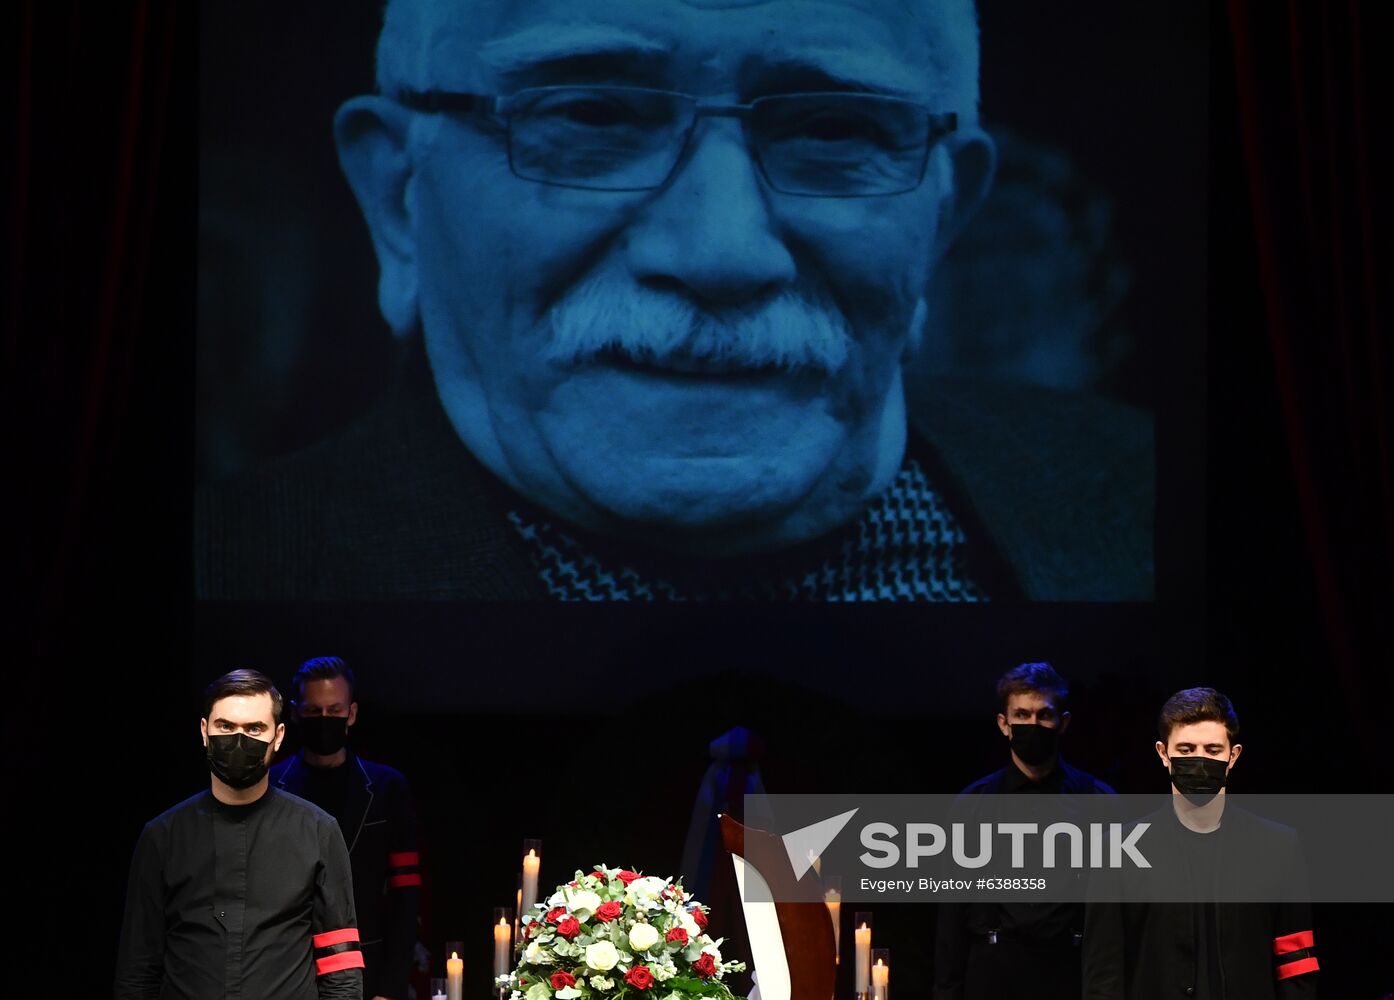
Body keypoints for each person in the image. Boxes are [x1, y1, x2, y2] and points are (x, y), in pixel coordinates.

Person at [195, 0, 1152, 601]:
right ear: (399, 199)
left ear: (945, 217)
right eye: (591, 114)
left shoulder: (1143, 504)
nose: (721, 252)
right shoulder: (230, 572)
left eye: (833, 126)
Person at [114, 670, 363, 999]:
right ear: (205, 731)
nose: (238, 739)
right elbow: (137, 967)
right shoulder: (163, 837)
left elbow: (341, 966)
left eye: (255, 728)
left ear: (278, 736)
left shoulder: (318, 831)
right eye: (226, 727)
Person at [1082, 687, 1320, 998]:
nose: (1199, 761)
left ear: (1232, 756)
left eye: (1212, 750)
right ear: (1162, 754)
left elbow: (1295, 962)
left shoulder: (1278, 846)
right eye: (1185, 750)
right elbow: (1103, 974)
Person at [933, 661, 1115, 1000]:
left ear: (1063, 723)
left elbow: (1114, 917)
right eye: (1022, 715)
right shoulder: (973, 804)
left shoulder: (1099, 803)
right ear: (1004, 724)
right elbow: (951, 919)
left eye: (1044, 715)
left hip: (1070, 973)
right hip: (992, 974)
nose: (1033, 724)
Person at [271, 657, 421, 1000]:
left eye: (334, 710)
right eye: (313, 711)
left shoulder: (387, 788)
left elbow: (405, 898)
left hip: (369, 969)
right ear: (295, 713)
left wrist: (389, 988)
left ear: (351, 714)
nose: (324, 720)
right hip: (288, 973)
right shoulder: (271, 787)